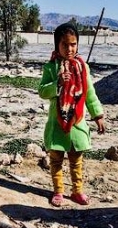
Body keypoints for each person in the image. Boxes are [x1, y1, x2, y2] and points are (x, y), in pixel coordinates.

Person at [38, 22, 106, 207]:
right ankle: (58, 191)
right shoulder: (51, 68)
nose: (69, 49)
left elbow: (90, 93)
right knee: (56, 160)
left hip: (76, 122)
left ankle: (77, 191)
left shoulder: (83, 68)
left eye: (73, 44)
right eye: (65, 44)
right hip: (57, 123)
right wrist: (57, 84)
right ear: (56, 45)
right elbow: (42, 91)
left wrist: (98, 115)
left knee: (76, 161)